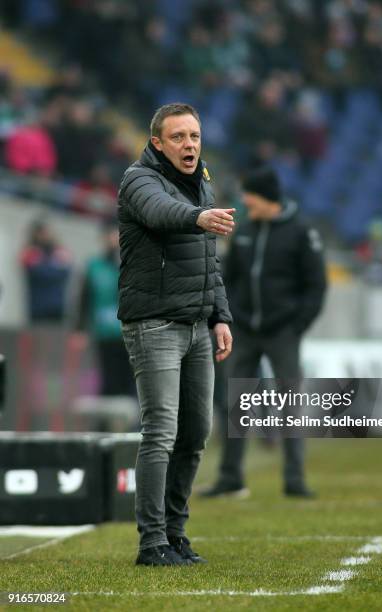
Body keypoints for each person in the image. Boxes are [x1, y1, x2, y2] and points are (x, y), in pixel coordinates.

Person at [118, 103, 234, 567]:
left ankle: (175, 534)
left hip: (196, 325)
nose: (190, 145)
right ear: (157, 143)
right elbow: (161, 212)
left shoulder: (200, 180)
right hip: (155, 324)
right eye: (180, 137)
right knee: (160, 432)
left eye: (195, 136)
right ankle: (151, 544)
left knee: (196, 434)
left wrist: (220, 315)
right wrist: (197, 217)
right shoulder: (138, 180)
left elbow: (208, 261)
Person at [201, 167, 328, 499]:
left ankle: (295, 480)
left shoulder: (301, 233)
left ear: (266, 198)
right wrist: (229, 316)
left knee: (290, 403)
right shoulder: (245, 232)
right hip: (245, 329)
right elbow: (228, 278)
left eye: (249, 196)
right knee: (234, 404)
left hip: (283, 331)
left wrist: (296, 326)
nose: (244, 202)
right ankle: (230, 478)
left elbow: (316, 286)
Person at [72, 220, 133, 398]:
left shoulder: (133, 263)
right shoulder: (94, 266)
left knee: (132, 381)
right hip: (105, 333)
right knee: (108, 380)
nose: (114, 239)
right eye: (111, 234)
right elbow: (84, 298)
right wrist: (80, 328)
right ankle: (108, 423)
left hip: (131, 333)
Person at [20, 219, 73, 323]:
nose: (45, 235)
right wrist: (53, 269)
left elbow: (66, 272)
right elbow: (36, 273)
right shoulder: (29, 252)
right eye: (42, 232)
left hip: (57, 308)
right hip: (37, 309)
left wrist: (45, 268)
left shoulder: (60, 252)